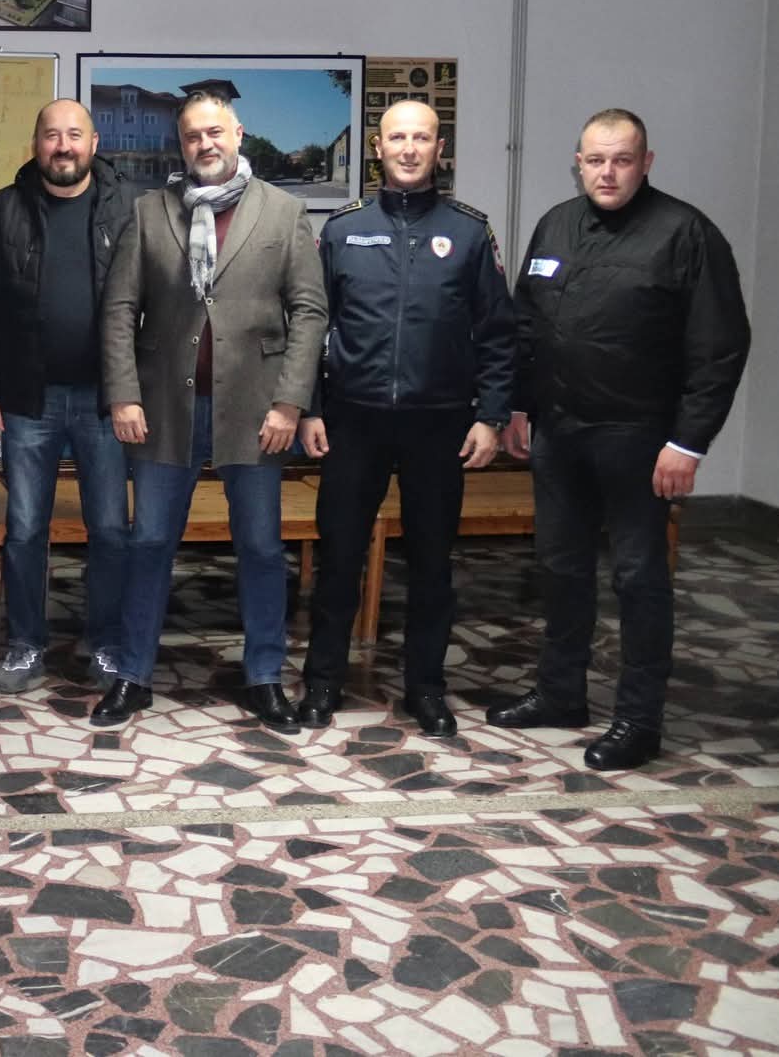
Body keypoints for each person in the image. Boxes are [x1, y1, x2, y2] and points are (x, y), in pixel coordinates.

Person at [488, 108, 750, 770]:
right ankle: (560, 693)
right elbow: (526, 323)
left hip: (640, 438)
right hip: (559, 432)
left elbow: (719, 346)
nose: (608, 172)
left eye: (622, 160)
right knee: (561, 567)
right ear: (577, 163)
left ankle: (639, 718)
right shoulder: (556, 224)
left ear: (646, 163)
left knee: (639, 578)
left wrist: (689, 443)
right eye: (596, 160)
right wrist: (518, 405)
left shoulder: (685, 233)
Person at [97, 91, 327, 733]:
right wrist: (124, 393)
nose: (205, 144)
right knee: (149, 543)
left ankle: (265, 677)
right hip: (163, 409)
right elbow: (119, 309)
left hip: (257, 412)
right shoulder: (150, 212)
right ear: (182, 143)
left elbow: (309, 311)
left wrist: (290, 401)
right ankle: (133, 675)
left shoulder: (283, 212)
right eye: (193, 135)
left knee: (260, 547)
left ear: (238, 133)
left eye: (215, 132)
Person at [295, 101, 514, 736]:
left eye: (422, 138)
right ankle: (323, 682)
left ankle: (426, 688)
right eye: (398, 138)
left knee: (432, 565)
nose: (410, 149)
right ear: (378, 147)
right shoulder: (343, 229)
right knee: (339, 559)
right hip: (353, 421)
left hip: (439, 424)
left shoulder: (469, 232)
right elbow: (310, 326)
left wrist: (491, 415)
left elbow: (498, 333)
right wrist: (310, 408)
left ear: (439, 148)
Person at [0, 99, 137, 695]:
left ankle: (106, 644)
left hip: (106, 400)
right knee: (25, 528)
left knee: (109, 529)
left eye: (74, 135)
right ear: (35, 143)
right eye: (52, 135)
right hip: (25, 400)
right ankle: (25, 645)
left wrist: (136, 391)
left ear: (93, 143)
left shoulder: (129, 207)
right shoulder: (1, 210)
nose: (63, 146)